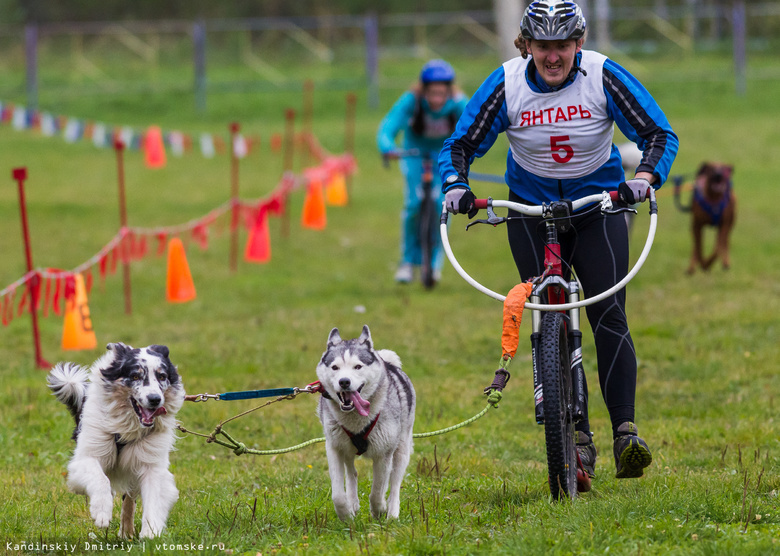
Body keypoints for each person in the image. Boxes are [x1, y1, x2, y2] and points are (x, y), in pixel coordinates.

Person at [438, 1, 678, 485]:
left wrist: (646, 177)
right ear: (526, 45)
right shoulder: (505, 82)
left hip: (599, 209)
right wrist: (455, 184)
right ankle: (577, 441)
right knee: (548, 315)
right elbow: (459, 145)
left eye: (562, 46)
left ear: (578, 44)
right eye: (543, 46)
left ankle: (625, 431)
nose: (553, 57)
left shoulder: (603, 76)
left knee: (607, 313)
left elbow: (658, 133)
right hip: (531, 212)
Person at [377, 59, 469, 284]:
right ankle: (408, 262)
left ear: (449, 90)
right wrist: (387, 147)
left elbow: (472, 128)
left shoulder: (459, 103)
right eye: (432, 93)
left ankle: (434, 264)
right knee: (414, 204)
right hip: (414, 154)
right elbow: (388, 127)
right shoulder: (412, 100)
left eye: (441, 93)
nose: (437, 98)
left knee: (442, 207)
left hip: (443, 158)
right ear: (423, 90)